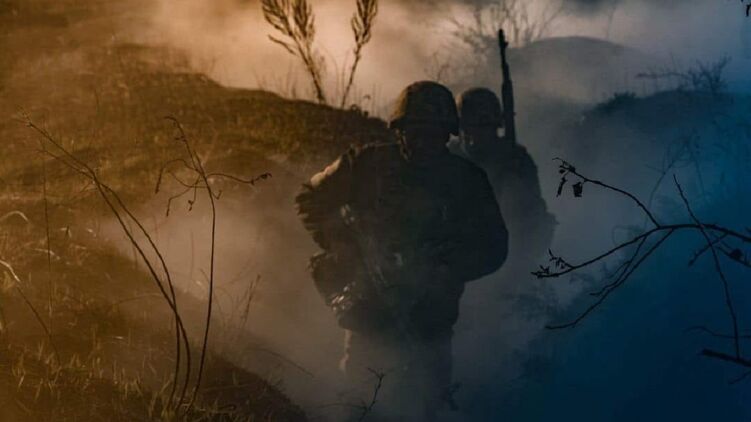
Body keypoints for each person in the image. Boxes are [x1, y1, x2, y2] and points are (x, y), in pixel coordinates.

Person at [296, 81, 508, 420]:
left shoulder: (467, 180)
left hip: (429, 322)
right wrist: (340, 242)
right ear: (399, 129)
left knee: (425, 404)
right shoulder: (366, 164)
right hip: (370, 311)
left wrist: (447, 267)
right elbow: (310, 196)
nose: (424, 141)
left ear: (448, 134)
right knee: (360, 402)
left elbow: (495, 245)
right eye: (415, 131)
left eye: (434, 133)